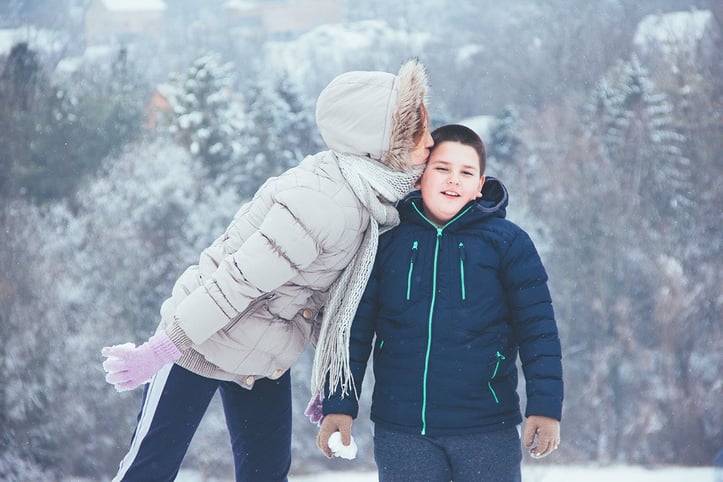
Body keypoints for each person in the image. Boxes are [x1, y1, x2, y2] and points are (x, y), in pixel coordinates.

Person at [100, 58, 433, 482]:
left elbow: (316, 298)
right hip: (198, 340)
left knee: (266, 474)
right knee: (149, 469)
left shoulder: (369, 200)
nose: (430, 140)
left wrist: (326, 383)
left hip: (262, 356)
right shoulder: (324, 202)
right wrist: (160, 351)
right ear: (380, 140)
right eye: (418, 130)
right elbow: (235, 283)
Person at [311, 124, 563, 482]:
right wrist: (338, 405)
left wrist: (546, 408)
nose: (453, 179)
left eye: (466, 172)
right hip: (403, 431)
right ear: (419, 177)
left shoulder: (509, 244)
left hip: (486, 429)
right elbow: (353, 330)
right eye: (442, 168)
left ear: (479, 185)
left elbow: (539, 332)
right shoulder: (386, 239)